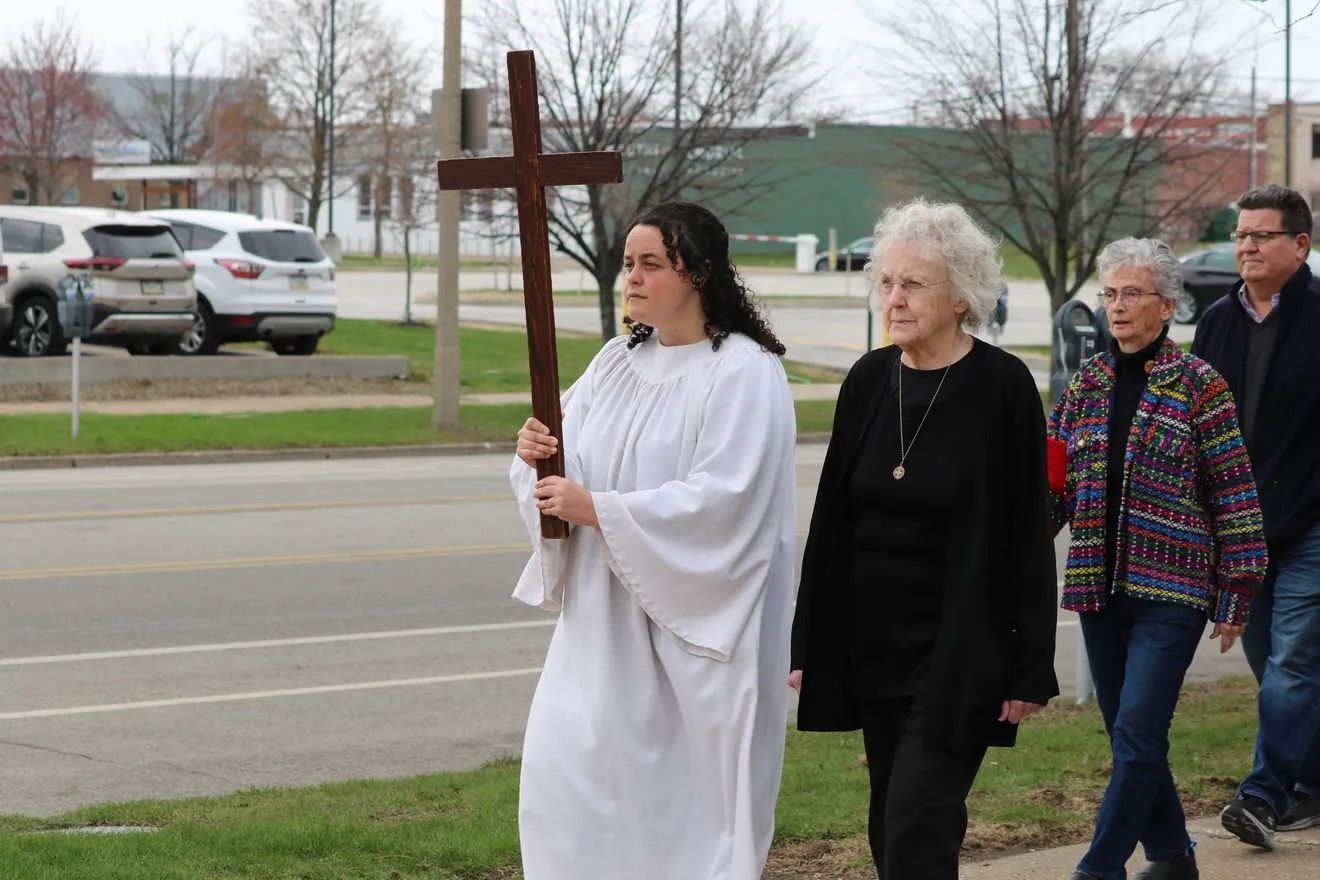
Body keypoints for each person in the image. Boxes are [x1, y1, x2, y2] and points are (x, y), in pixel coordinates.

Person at [509, 201, 797, 880]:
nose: (630, 279)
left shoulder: (744, 372)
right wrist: (537, 459)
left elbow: (726, 502)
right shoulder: (614, 363)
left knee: (684, 816)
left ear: (697, 273)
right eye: (627, 265)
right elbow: (564, 472)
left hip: (694, 639)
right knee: (564, 790)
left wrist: (597, 509)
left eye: (650, 264)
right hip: (596, 632)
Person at [788, 198, 1059, 880]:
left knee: (916, 819)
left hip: (961, 648)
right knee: (892, 822)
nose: (895, 298)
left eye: (914, 284)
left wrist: (1031, 663)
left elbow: (1026, 531)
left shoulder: (1002, 387)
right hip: (874, 643)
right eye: (887, 282)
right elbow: (832, 523)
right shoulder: (868, 381)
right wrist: (808, 641)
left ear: (962, 297)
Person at [1050, 238, 1268, 880]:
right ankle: (1173, 857)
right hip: (1098, 587)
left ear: (1166, 306)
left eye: (1132, 294)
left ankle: (1099, 868)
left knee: (1140, 736)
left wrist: (1236, 592)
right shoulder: (1086, 385)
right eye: (1109, 294)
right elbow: (1053, 483)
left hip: (1172, 592)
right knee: (1128, 739)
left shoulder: (1200, 386)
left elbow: (1235, 493)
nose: (1117, 307)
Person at [1191, 184, 1320, 848]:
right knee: (1269, 656)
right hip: (1241, 530)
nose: (1245, 246)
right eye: (1241, 235)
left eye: (1260, 236)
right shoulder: (1217, 321)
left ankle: (1262, 796)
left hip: (1312, 525)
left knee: (1293, 662)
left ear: (1300, 245)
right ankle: (1312, 780)